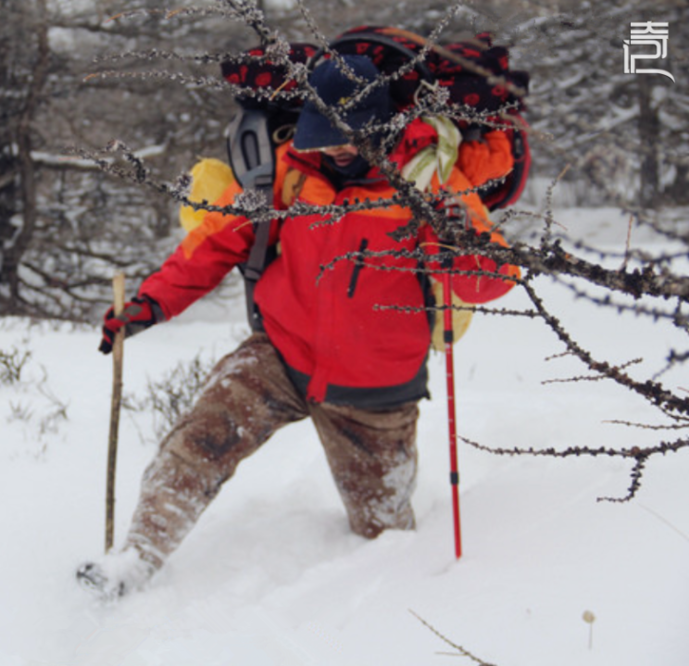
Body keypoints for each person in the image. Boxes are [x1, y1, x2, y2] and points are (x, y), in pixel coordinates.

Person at [78, 54, 520, 599]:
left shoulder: (429, 184)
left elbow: (492, 281)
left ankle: (400, 609)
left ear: (380, 125)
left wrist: (463, 242)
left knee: (382, 530)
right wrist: (150, 304)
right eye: (322, 134)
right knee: (198, 443)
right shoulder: (289, 172)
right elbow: (215, 240)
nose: (333, 147)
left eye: (347, 136)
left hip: (377, 387)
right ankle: (135, 559)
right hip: (282, 353)